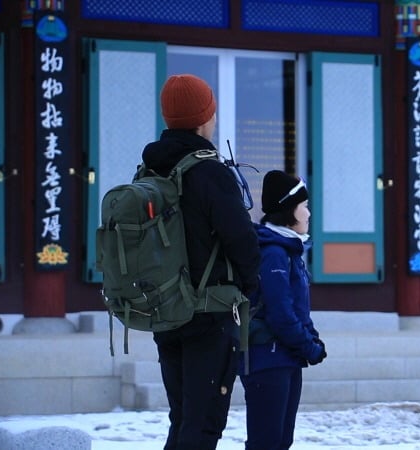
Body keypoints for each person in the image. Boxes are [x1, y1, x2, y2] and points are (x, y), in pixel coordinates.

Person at [142, 74, 261, 450]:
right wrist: (251, 286)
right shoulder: (210, 172)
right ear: (205, 117)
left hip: (166, 310)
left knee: (182, 418)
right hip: (209, 314)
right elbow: (242, 240)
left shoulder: (149, 170)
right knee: (203, 424)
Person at [240, 170, 326, 450]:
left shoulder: (289, 249)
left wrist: (312, 339)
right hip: (267, 358)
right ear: (288, 209)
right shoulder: (273, 252)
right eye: (304, 206)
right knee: (266, 443)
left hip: (286, 357)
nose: (309, 213)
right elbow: (280, 313)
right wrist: (308, 346)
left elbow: (299, 309)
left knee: (281, 441)